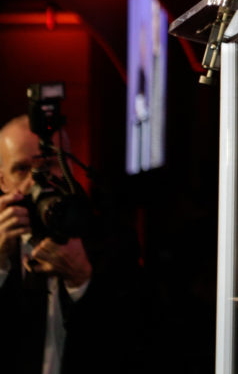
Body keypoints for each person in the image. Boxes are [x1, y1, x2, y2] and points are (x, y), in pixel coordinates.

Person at [0, 115, 145, 374]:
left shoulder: (112, 239)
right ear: (2, 181)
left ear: (69, 166)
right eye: (22, 169)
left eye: (50, 165)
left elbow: (136, 342)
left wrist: (82, 281)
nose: (38, 182)